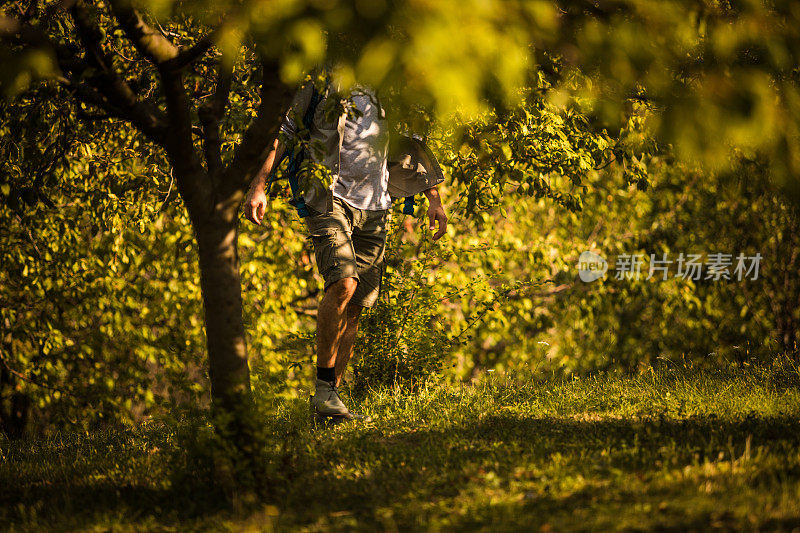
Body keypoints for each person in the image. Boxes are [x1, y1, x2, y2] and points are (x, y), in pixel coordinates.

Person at [244, 76, 448, 421]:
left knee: (355, 306)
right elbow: (287, 127)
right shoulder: (323, 74)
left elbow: (413, 142)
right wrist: (259, 184)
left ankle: (330, 402)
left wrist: (434, 200)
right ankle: (324, 389)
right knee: (343, 284)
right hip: (328, 195)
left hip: (377, 205)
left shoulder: (392, 77)